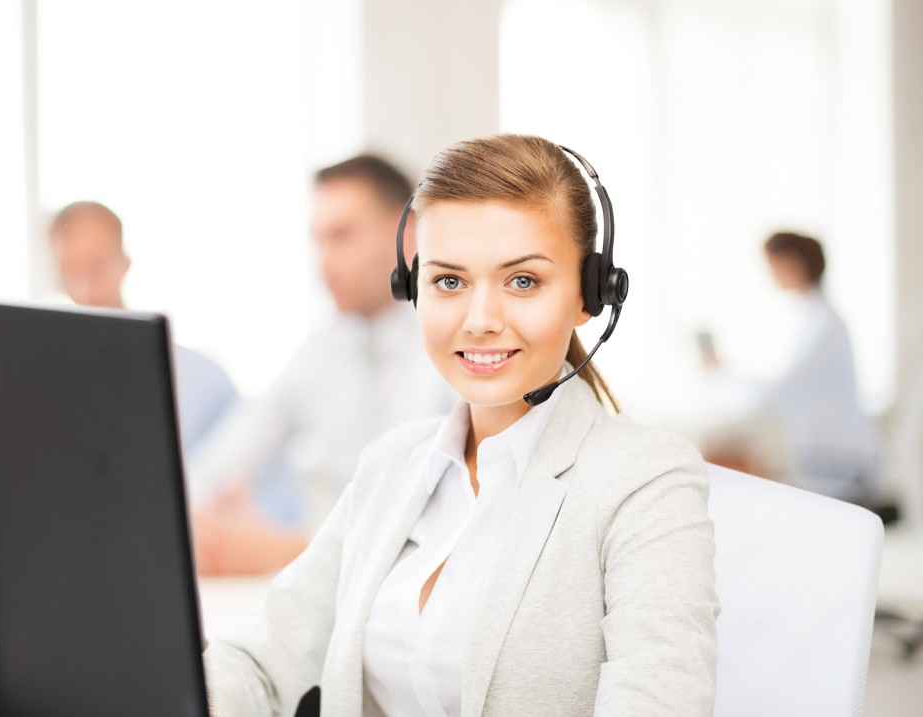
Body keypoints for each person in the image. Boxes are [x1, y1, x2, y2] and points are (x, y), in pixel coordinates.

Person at [203, 134, 719, 715]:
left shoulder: (645, 480)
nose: (480, 321)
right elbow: (263, 661)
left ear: (590, 295)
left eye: (523, 280)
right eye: (449, 280)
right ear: (412, 287)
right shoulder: (393, 465)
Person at [189, 155, 454, 574]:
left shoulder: (460, 344)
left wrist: (289, 552)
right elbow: (219, 466)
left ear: (406, 234)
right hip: (331, 596)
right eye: (318, 240)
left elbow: (443, 531)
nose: (325, 261)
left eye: (343, 236)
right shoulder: (323, 347)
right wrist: (200, 528)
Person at [48, 201, 241, 461]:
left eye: (97, 267)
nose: (85, 291)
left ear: (124, 263)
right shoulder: (51, 387)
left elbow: (262, 489)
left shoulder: (204, 381)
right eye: (70, 273)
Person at [703, 232, 877, 504]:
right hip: (823, 457)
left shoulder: (826, 327)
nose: (770, 274)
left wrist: (726, 375)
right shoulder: (813, 321)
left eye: (773, 264)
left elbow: (782, 391)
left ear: (793, 263)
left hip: (838, 462)